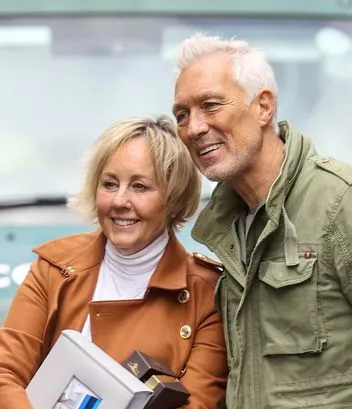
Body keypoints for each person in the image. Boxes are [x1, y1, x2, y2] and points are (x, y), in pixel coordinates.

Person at [172, 34, 352, 408]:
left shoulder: (345, 200)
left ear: (263, 107)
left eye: (210, 105)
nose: (194, 127)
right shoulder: (228, 225)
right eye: (182, 115)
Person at [0, 115, 228, 408]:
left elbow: (197, 404)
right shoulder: (54, 266)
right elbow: (6, 373)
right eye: (109, 184)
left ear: (173, 198)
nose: (119, 201)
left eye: (140, 187)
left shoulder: (206, 294)